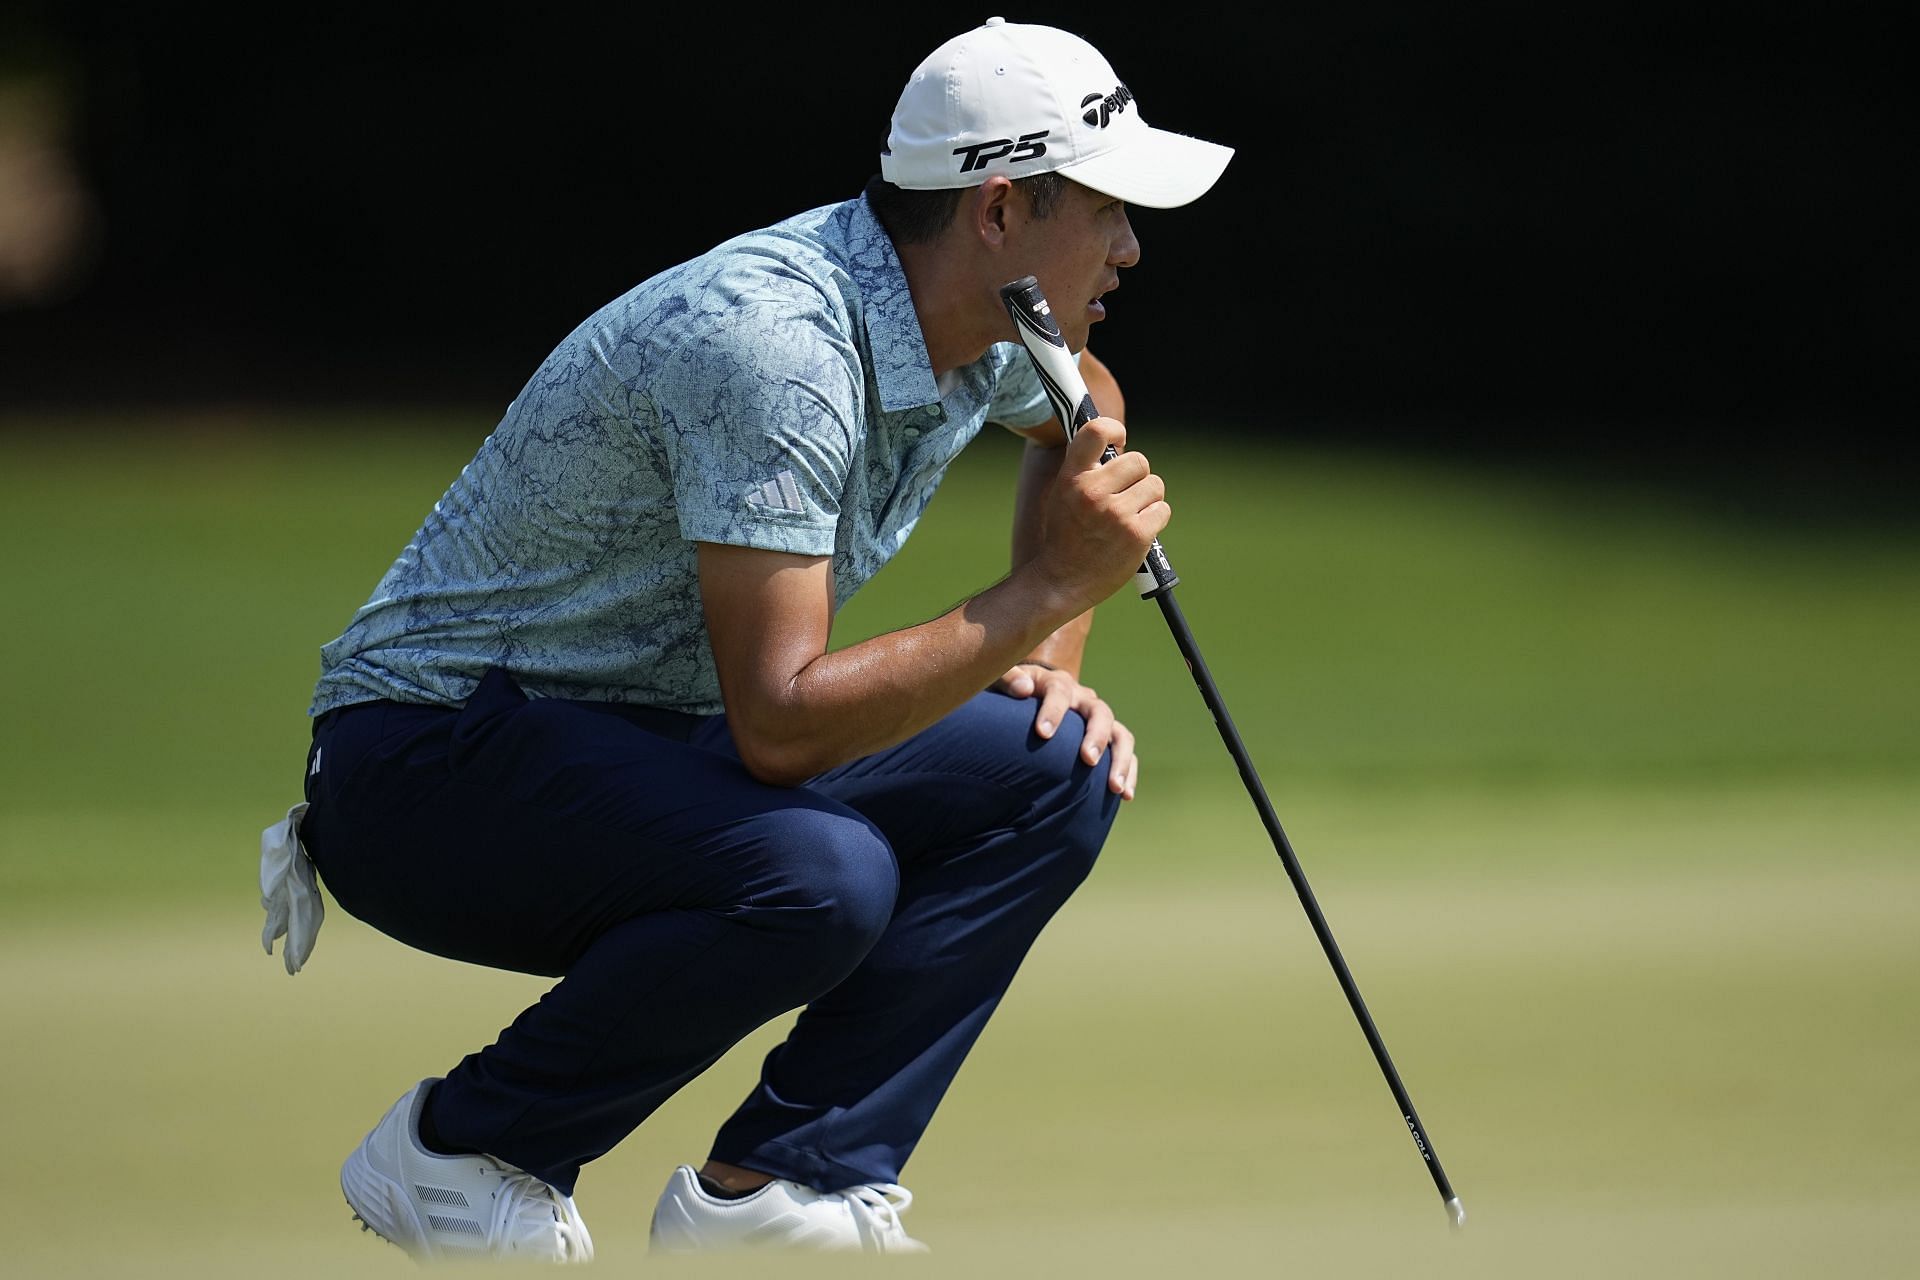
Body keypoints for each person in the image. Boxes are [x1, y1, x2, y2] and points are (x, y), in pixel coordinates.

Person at [258, 14, 1232, 1263]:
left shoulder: (987, 322)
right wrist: (1042, 591)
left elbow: (1084, 405)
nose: (1133, 245)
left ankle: (781, 1182)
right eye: (1108, 206)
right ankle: (462, 1147)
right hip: (426, 765)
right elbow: (778, 728)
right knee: (822, 875)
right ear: (997, 210)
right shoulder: (777, 344)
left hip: (633, 743)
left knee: (1053, 762)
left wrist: (1054, 665)